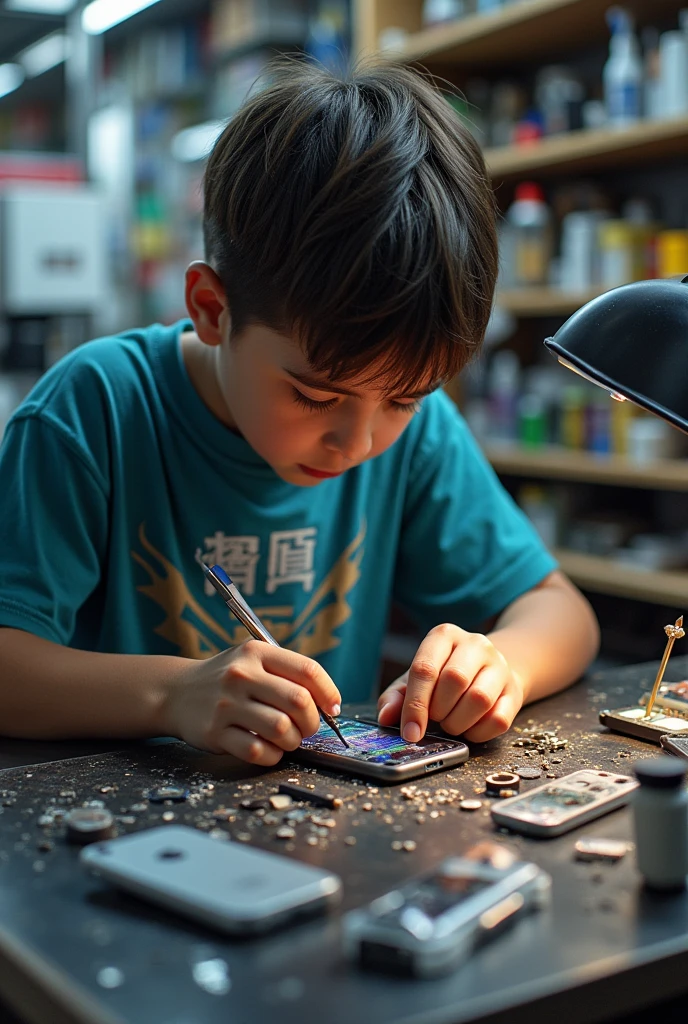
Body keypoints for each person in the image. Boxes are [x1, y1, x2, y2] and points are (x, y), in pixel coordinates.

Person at [0, 59, 598, 765]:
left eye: (403, 398)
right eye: (316, 394)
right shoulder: (94, 408)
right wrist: (170, 695)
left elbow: (563, 613)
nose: (358, 439)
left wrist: (500, 663)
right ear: (212, 309)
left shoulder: (417, 435)